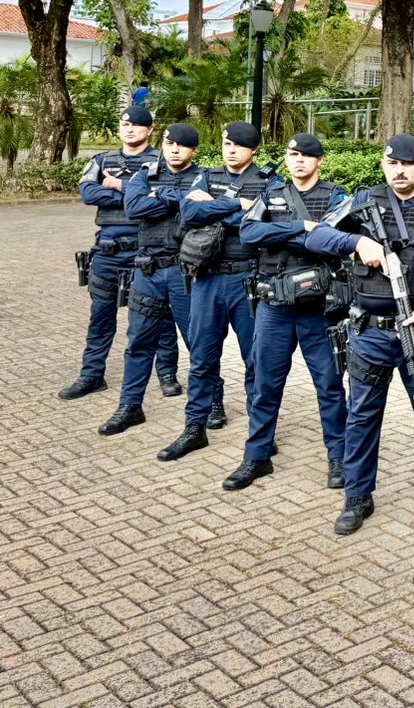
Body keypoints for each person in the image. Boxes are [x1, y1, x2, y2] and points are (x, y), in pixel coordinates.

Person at [304, 134, 414, 536]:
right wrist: (358, 242)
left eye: (407, 165)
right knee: (362, 415)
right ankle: (357, 495)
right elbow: (316, 236)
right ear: (383, 165)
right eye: (392, 164)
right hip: (371, 331)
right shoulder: (362, 202)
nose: (399, 171)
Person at [224, 133, 351, 492]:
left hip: (319, 310)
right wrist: (299, 227)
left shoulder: (336, 197)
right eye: (293, 154)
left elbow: (330, 238)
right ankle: (257, 456)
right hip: (274, 308)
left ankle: (338, 457)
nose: (298, 161)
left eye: (306, 155)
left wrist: (278, 234)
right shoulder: (272, 194)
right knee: (265, 385)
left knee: (328, 387)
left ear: (319, 160)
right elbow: (248, 232)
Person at [160, 122, 268, 461]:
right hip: (206, 280)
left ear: (253, 151)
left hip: (246, 282)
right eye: (226, 143)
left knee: (256, 361)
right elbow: (190, 212)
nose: (231, 149)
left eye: (238, 145)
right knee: (203, 359)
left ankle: (260, 433)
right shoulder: (206, 176)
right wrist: (238, 205)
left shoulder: (268, 182)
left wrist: (217, 206)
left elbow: (258, 226)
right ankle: (195, 428)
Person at [63, 107, 179, 402]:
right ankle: (91, 374)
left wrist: (117, 185)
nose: (129, 129)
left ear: (150, 130)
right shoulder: (101, 160)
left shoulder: (161, 162)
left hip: (148, 252)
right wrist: (137, 195)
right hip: (107, 253)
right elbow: (89, 194)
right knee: (100, 316)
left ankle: (167, 374)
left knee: (160, 317)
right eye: (125, 124)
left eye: (137, 125)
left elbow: (168, 198)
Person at [100, 124, 202, 436]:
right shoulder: (145, 174)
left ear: (193, 151)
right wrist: (177, 199)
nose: (174, 149)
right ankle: (130, 406)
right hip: (147, 272)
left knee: (199, 345)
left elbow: (198, 211)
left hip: (185, 273)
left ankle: (212, 403)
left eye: (182, 145)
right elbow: (134, 207)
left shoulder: (204, 177)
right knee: (139, 342)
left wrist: (163, 197)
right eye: (170, 143)